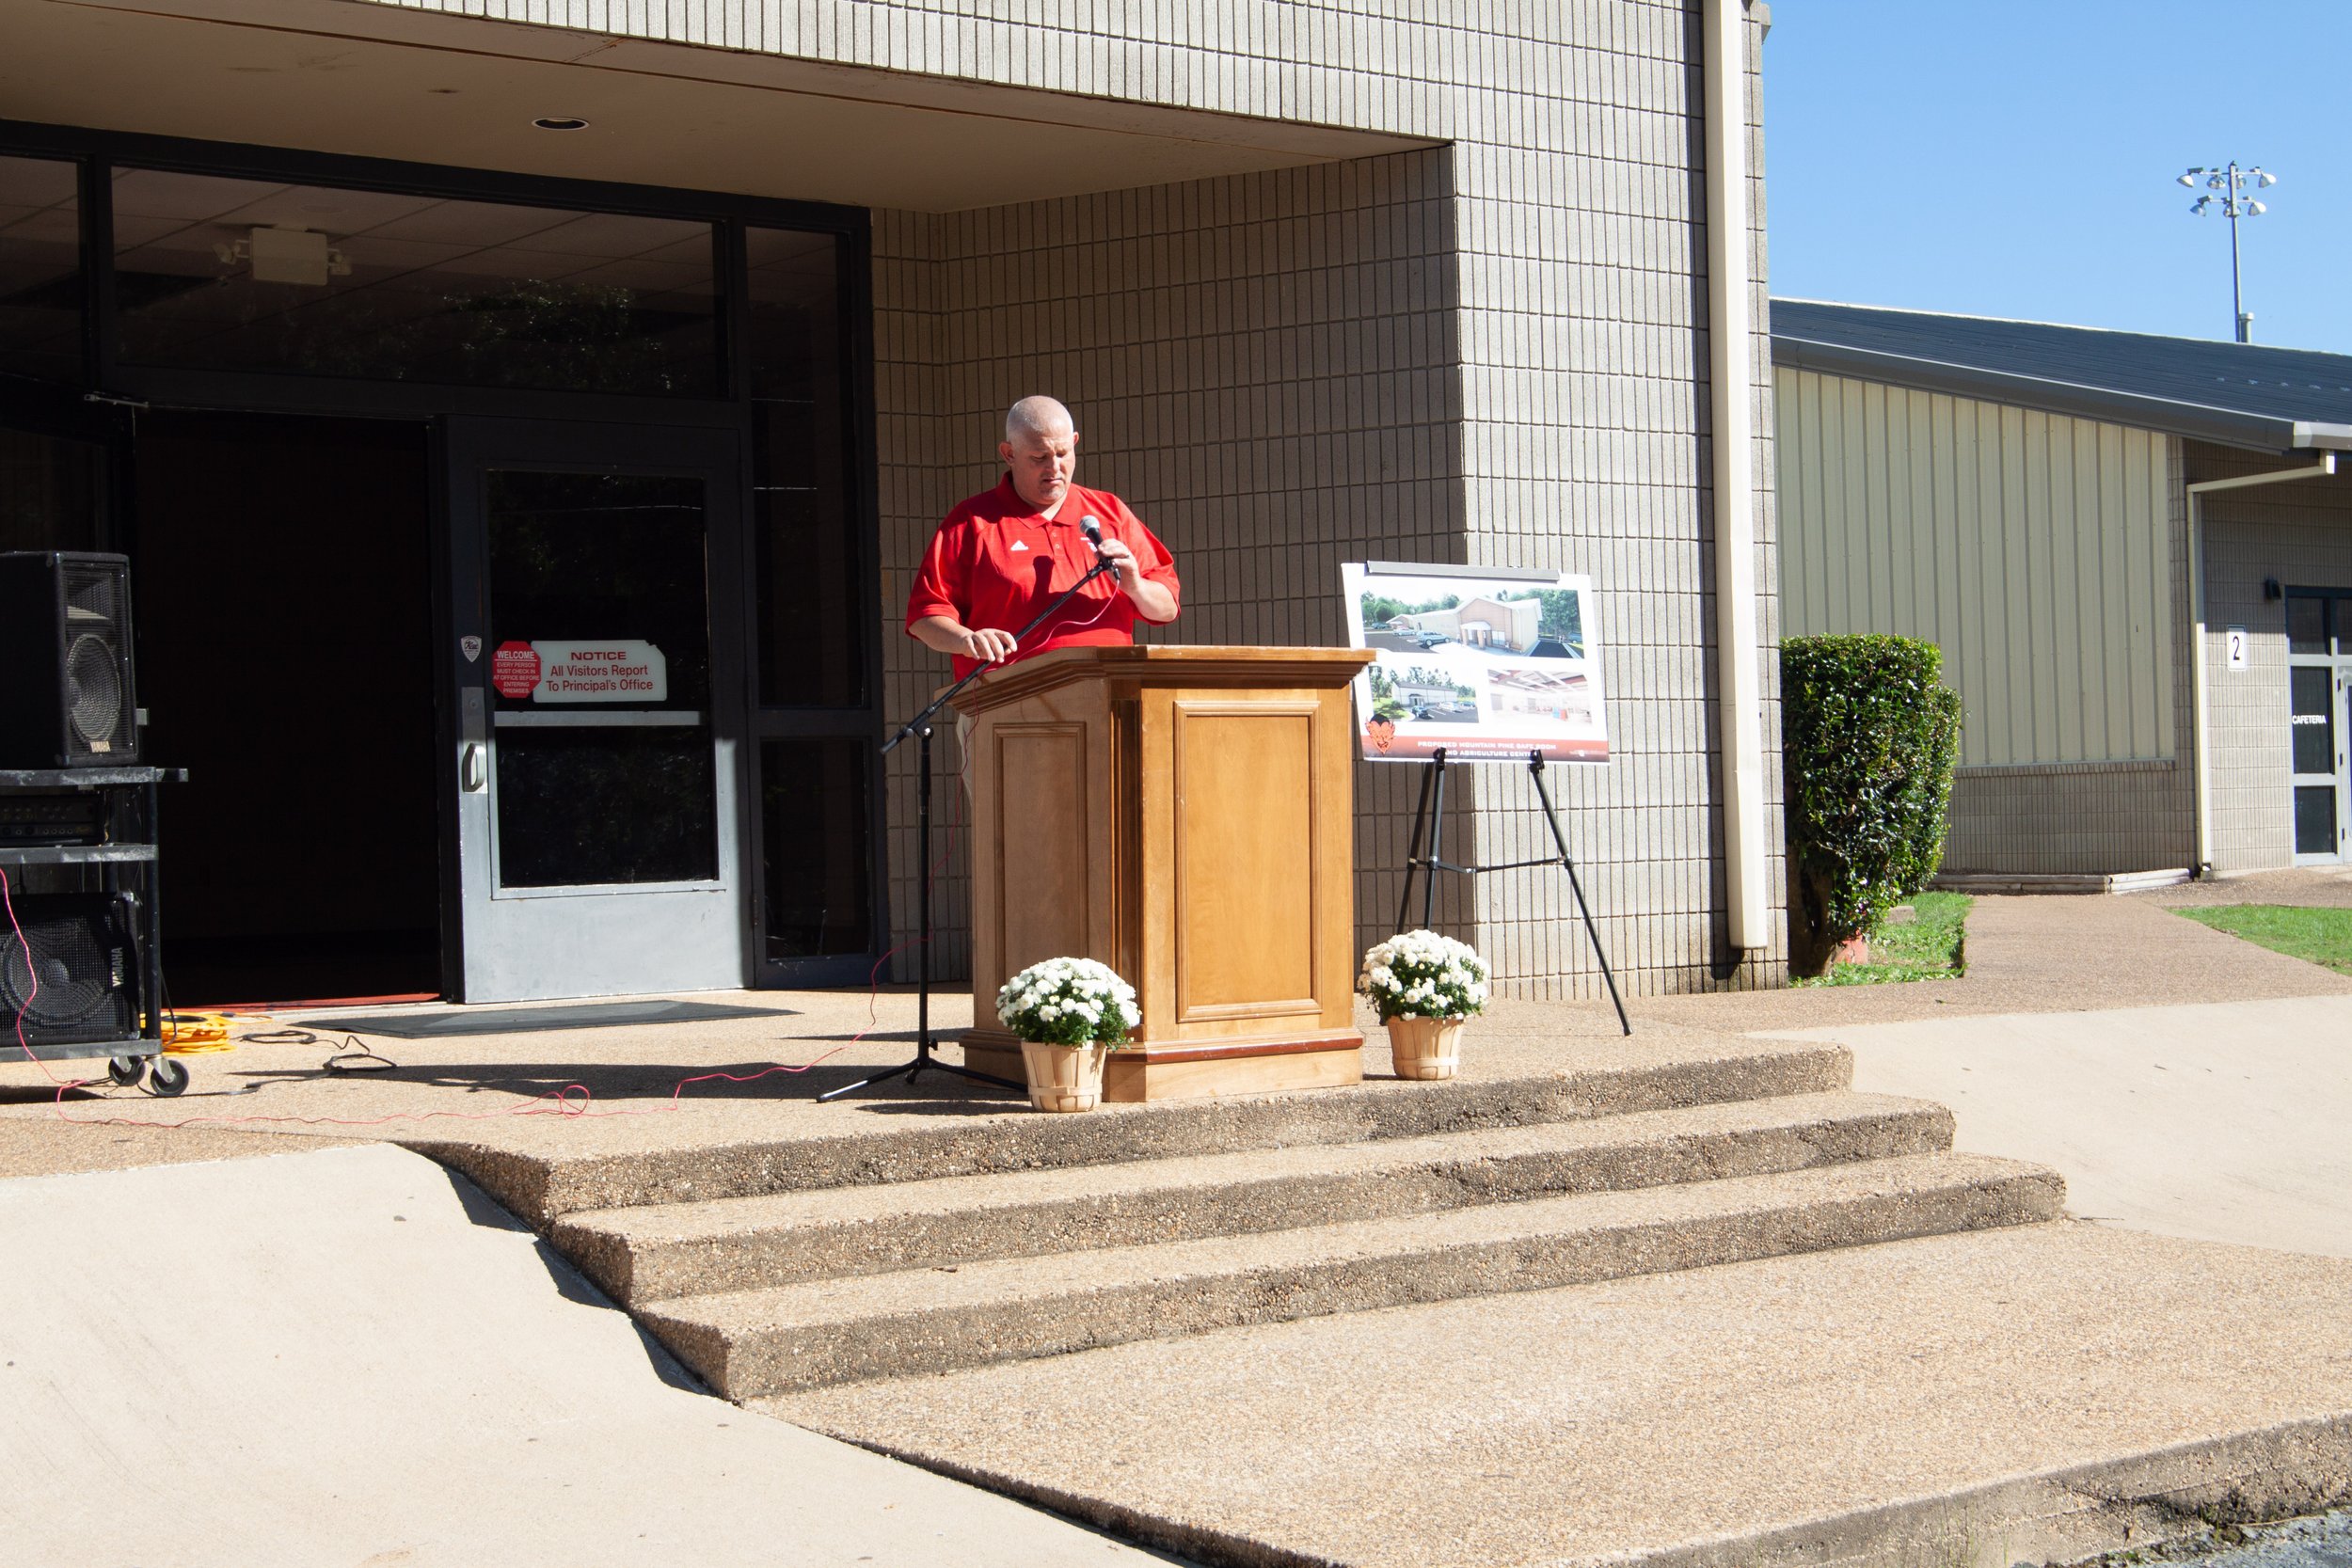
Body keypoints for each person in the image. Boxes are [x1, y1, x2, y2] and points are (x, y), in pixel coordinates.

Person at [905, 396, 1179, 680]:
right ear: (1009, 454)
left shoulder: (1110, 512)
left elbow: (1167, 609)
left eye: (1063, 453)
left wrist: (1135, 586)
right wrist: (966, 640)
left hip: (1109, 690)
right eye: (1040, 457)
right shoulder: (972, 522)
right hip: (1009, 695)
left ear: (1075, 442)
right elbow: (924, 617)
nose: (1054, 467)